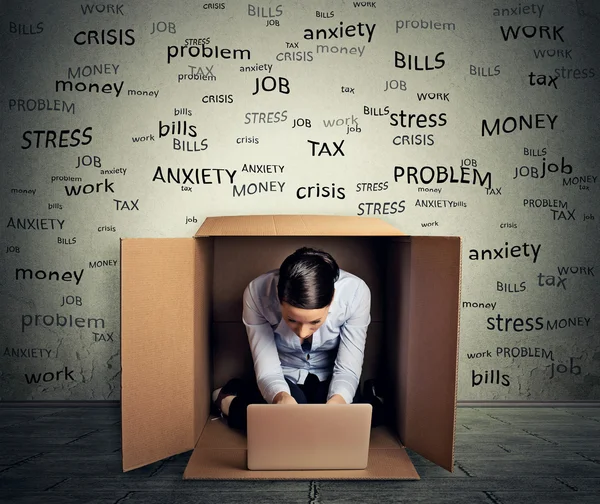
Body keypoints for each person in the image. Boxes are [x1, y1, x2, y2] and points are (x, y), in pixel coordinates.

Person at [211, 246, 378, 432]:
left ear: (331, 299)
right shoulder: (256, 293)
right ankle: (226, 401)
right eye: (292, 320)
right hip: (285, 374)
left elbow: (348, 368)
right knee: (286, 426)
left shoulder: (355, 292)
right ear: (279, 297)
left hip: (329, 374)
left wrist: (338, 403)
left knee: (355, 423)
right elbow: (268, 370)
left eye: (315, 322)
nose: (304, 333)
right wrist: (281, 397)